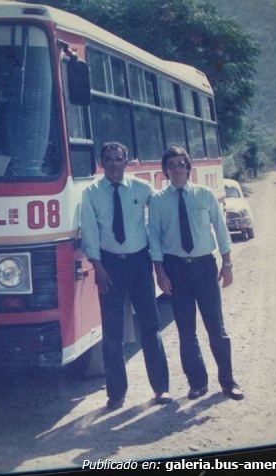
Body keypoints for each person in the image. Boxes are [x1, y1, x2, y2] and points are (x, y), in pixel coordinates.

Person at [148, 145, 244, 401]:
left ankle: (228, 382)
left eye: (181, 164)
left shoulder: (205, 195)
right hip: (175, 269)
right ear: (165, 172)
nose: (177, 169)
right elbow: (154, 239)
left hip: (204, 266)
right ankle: (197, 383)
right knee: (186, 330)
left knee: (217, 328)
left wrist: (227, 264)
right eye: (172, 166)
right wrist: (160, 272)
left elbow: (221, 230)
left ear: (189, 167)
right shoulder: (157, 201)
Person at [80, 141, 171, 410]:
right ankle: (116, 394)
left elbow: (161, 211)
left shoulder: (142, 189)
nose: (113, 164)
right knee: (112, 332)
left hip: (139, 263)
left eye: (118, 159)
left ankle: (161, 388)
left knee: (150, 326)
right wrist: (98, 269)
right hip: (109, 266)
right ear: (101, 162)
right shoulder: (91, 193)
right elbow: (90, 233)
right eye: (108, 159)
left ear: (126, 161)